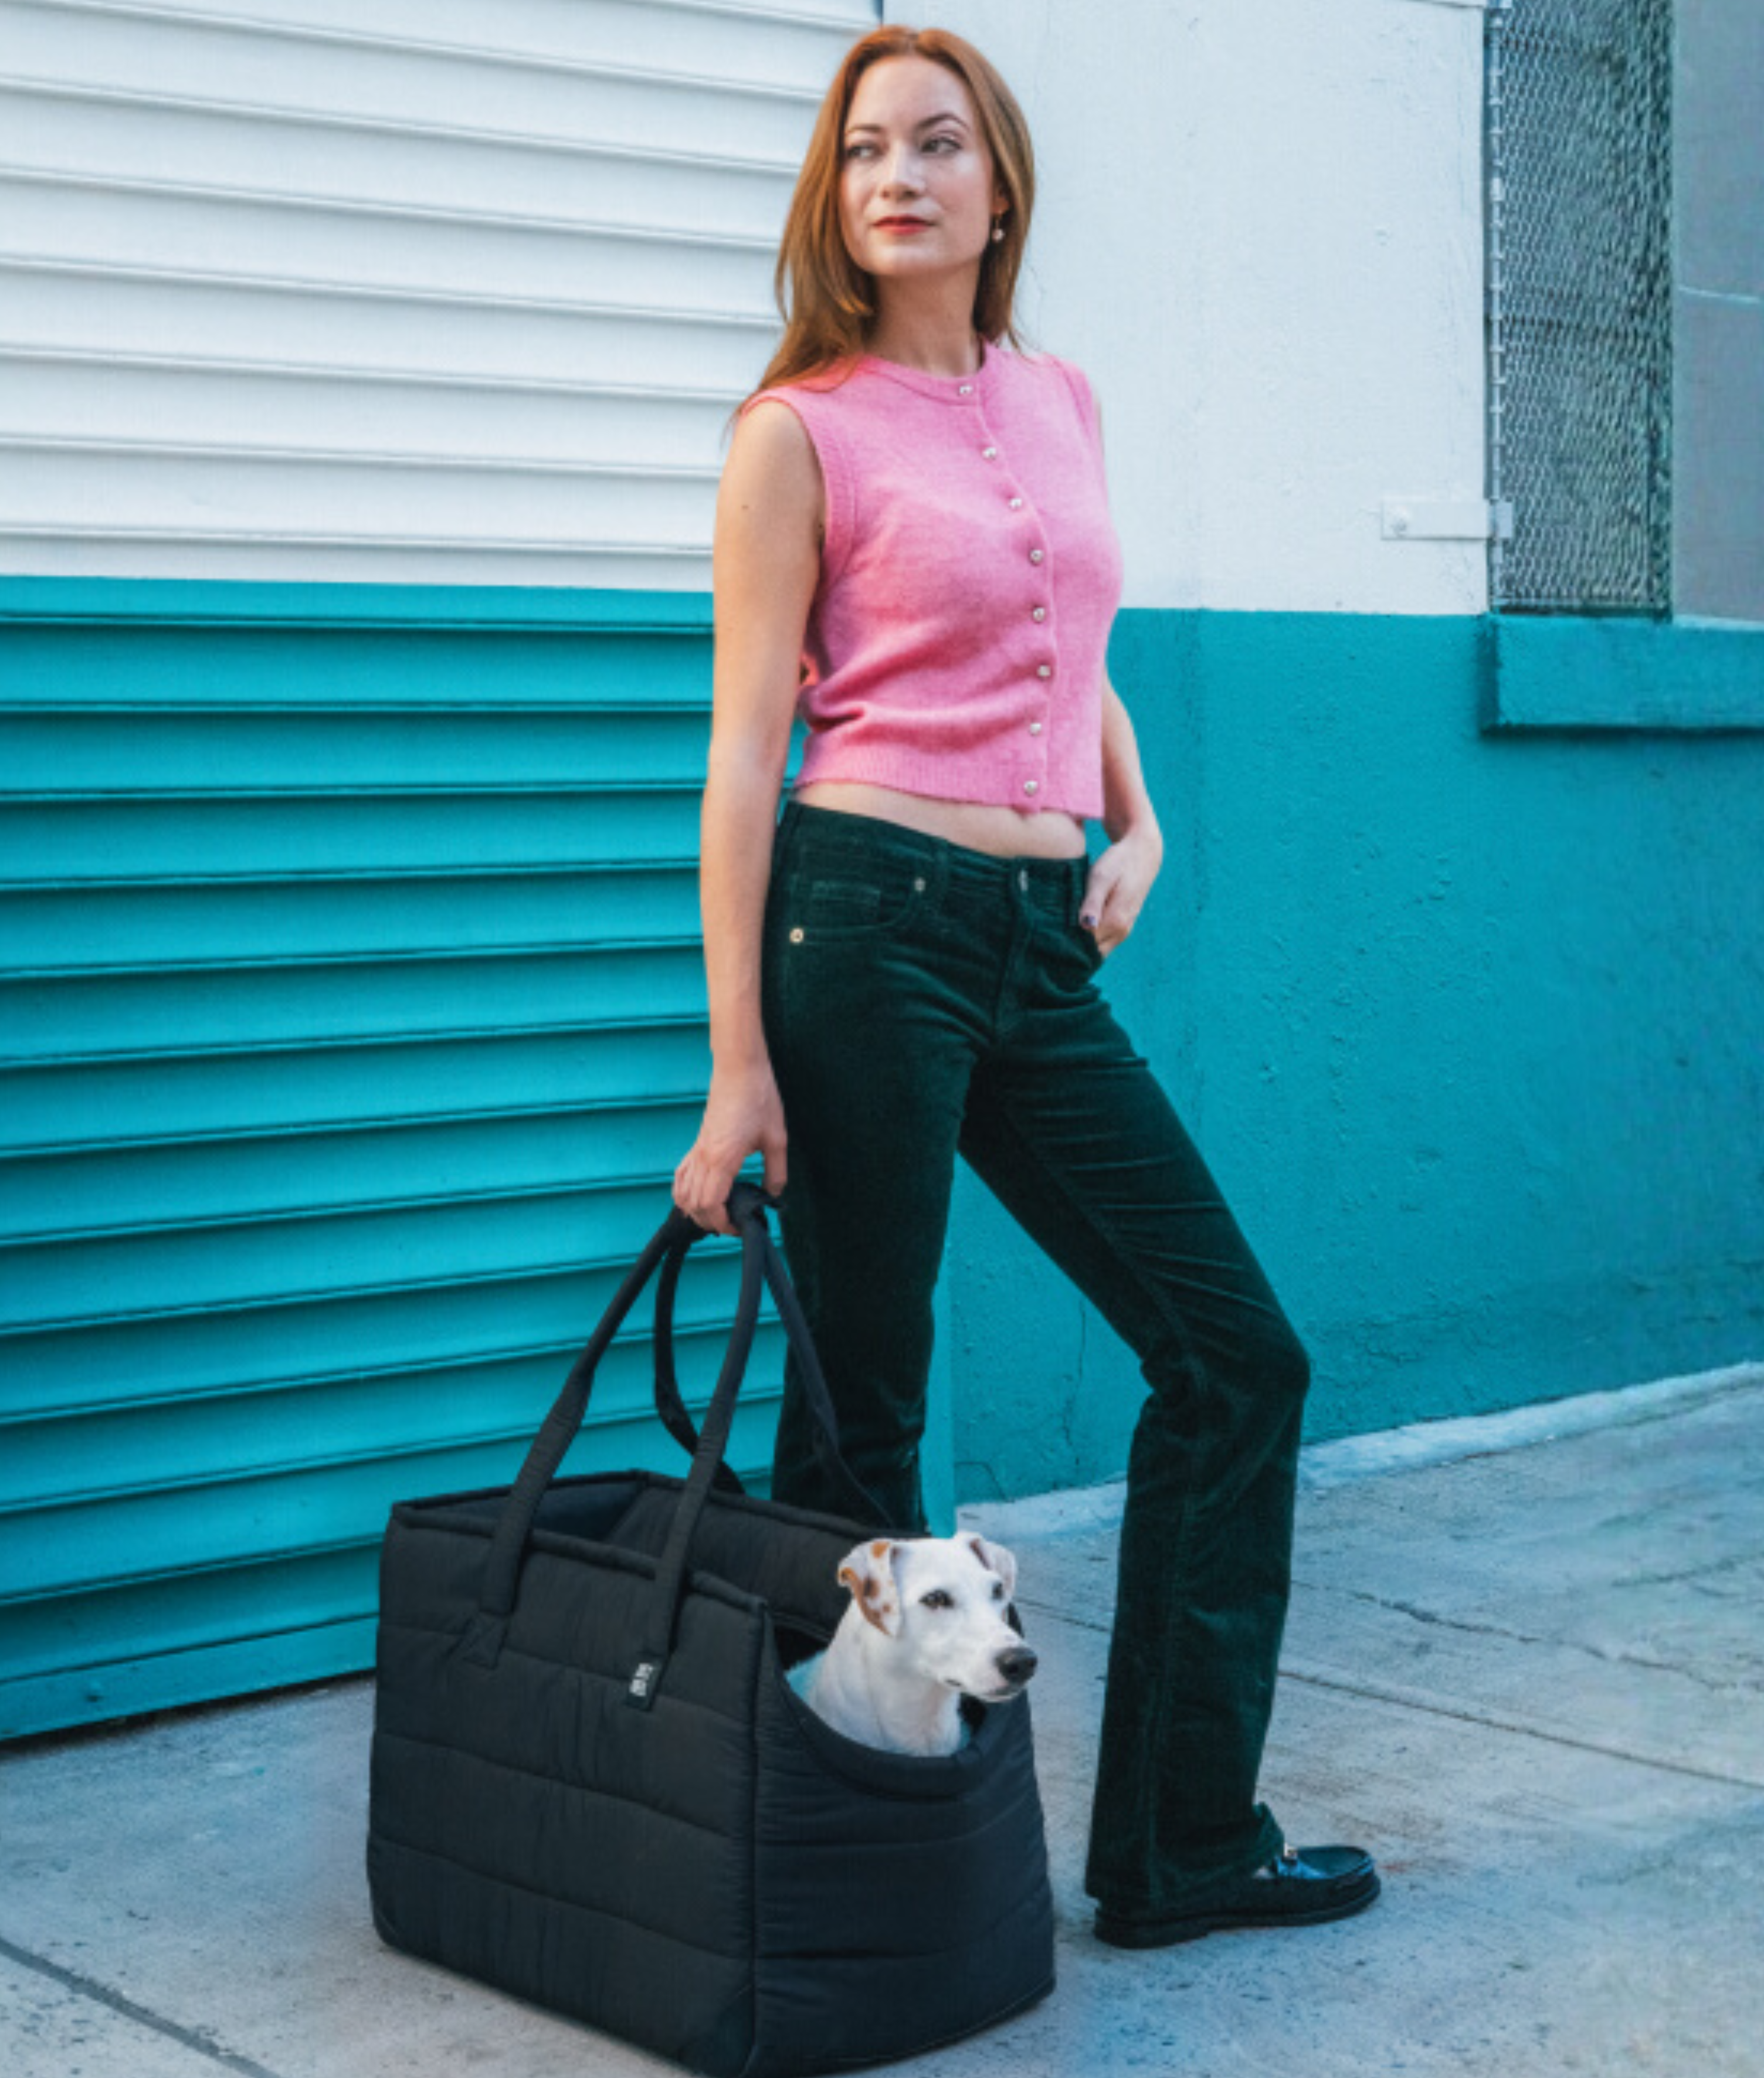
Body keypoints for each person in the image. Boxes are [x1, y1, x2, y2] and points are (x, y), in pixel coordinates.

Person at [671, 23, 1382, 1950]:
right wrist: (737, 1067)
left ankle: (1177, 1845)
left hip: (1035, 943)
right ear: (835, 201)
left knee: (1236, 1355)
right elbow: (747, 756)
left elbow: (1068, 642)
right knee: (861, 1438)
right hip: (861, 921)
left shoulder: (1055, 397)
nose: (895, 175)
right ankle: (846, 1890)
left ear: (999, 189)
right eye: (861, 152)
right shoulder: (793, 431)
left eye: (934, 143)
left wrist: (1134, 823)